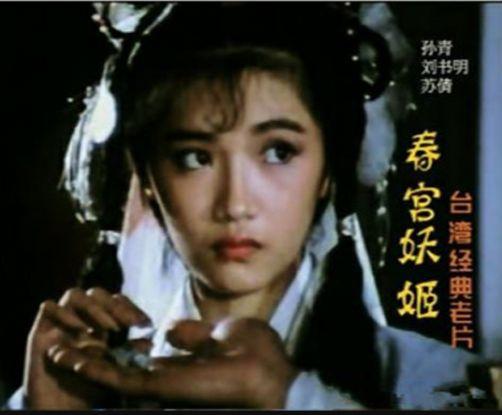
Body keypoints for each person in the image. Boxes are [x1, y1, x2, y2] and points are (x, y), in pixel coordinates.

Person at [5, 3, 493, 410]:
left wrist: (287, 396)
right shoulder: (90, 382)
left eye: (278, 152)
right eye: (194, 158)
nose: (235, 204)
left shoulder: (435, 383)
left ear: (328, 170)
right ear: (148, 179)